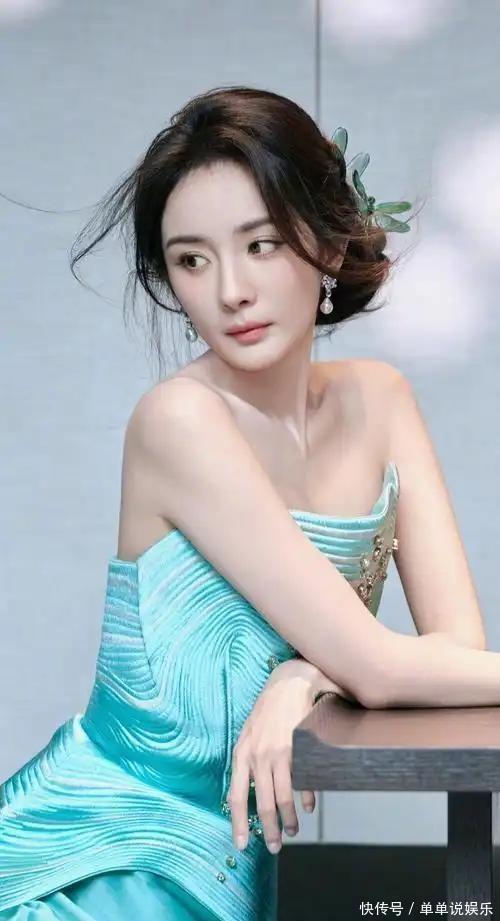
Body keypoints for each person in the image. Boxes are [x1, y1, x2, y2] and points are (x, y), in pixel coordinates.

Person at [0, 84, 491, 921]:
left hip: (223, 881)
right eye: (192, 260)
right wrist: (351, 666)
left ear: (325, 243)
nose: (230, 290)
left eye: (260, 244)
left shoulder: (381, 401)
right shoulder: (180, 421)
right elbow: (384, 668)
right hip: (99, 870)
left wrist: (308, 674)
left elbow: (455, 655)